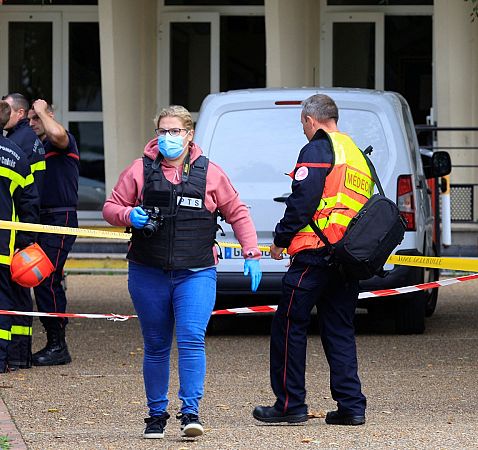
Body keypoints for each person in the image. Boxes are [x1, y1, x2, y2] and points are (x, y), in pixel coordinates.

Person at [103, 105, 262, 439]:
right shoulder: (139, 170)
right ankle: (156, 415)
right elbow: (110, 207)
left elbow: (237, 211)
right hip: (148, 271)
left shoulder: (210, 173)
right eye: (163, 131)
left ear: (189, 135)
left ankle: (191, 412)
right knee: (157, 344)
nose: (168, 137)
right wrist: (129, 215)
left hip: (196, 271)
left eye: (175, 131)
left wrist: (251, 252)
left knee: (191, 338)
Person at [252, 94, 369, 427]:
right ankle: (351, 406)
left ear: (309, 119)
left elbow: (302, 200)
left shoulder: (318, 149)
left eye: (302, 124)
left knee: (289, 324)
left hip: (315, 253)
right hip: (347, 258)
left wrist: (280, 239)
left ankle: (290, 404)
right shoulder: (356, 154)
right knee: (339, 330)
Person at [26, 100, 79, 367]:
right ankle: (52, 342)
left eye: (38, 118)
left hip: (59, 217)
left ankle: (58, 345)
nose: (33, 123)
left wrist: (43, 110)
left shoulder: (62, 140)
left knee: (45, 278)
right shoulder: (36, 147)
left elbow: (57, 134)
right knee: (41, 279)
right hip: (38, 219)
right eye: (30, 119)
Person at [2, 93, 45, 369]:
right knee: (5, 304)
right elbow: (30, 203)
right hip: (6, 247)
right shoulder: (14, 154)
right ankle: (8, 358)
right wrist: (25, 241)